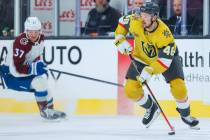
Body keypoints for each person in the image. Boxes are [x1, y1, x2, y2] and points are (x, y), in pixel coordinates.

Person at [114, 2, 199, 128]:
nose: (141, 18)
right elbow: (122, 23)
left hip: (165, 59)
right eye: (141, 14)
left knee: (179, 88)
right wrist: (120, 39)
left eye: (146, 16)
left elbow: (163, 62)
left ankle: (186, 115)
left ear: (154, 17)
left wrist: (150, 71)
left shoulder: (165, 34)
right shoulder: (136, 19)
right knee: (130, 90)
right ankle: (152, 108)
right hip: (141, 57)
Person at [0, 17, 66, 120]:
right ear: (26, 31)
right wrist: (34, 69)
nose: (33, 34)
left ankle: (50, 110)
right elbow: (15, 70)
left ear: (40, 31)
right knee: (40, 83)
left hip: (21, 72)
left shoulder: (41, 39)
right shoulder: (20, 43)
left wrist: (39, 64)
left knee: (45, 88)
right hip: (8, 76)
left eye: (36, 31)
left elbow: (34, 57)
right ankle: (45, 112)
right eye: (30, 31)